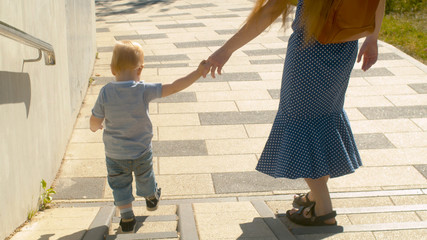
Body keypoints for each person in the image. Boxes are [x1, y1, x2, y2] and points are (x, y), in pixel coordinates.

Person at [205, 0, 385, 226]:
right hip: (344, 51)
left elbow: (270, 10)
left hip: (308, 53)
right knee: (323, 122)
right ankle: (315, 195)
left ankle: (324, 210)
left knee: (301, 124)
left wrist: (226, 49)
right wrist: (372, 37)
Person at [90, 40, 208, 233]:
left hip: (115, 154)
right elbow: (174, 86)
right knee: (145, 176)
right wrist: (197, 72)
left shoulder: (106, 92)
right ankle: (151, 197)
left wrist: (95, 127)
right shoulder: (143, 90)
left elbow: (95, 119)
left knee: (119, 184)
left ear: (112, 69)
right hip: (141, 151)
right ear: (140, 69)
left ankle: (127, 218)